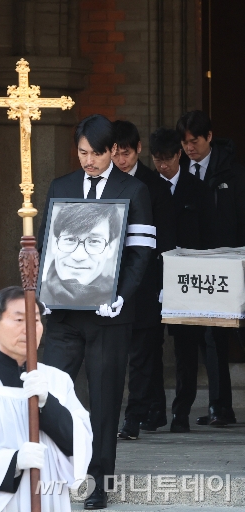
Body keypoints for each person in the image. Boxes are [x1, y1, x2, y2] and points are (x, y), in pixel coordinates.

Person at [38, 114, 154, 509]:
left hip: (109, 316)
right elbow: (47, 245)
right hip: (64, 314)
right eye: (82, 152)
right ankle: (56, 468)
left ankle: (98, 482)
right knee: (49, 393)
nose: (88, 161)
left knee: (104, 401)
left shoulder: (134, 190)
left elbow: (141, 253)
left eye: (96, 153)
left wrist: (121, 296)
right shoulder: (61, 186)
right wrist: (43, 291)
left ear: (113, 151)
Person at [0, 286, 93, 512]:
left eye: (36, 320)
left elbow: (80, 443)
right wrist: (13, 461)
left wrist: (48, 405)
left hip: (47, 499)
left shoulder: (58, 380)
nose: (28, 328)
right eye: (19, 320)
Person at [147, 127, 218, 433]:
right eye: (157, 159)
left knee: (186, 349)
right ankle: (155, 410)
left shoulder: (197, 189)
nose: (163, 165)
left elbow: (209, 236)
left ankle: (181, 413)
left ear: (179, 154)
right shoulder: (146, 188)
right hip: (152, 276)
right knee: (149, 345)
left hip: (188, 278)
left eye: (168, 158)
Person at [177, 110, 245, 427]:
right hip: (198, 266)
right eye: (185, 143)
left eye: (195, 141)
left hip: (233, 262)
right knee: (210, 335)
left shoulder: (233, 173)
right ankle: (220, 407)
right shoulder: (181, 173)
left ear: (209, 137)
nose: (190, 148)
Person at [111, 121, 176, 440]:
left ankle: (134, 417)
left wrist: (164, 284)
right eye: (115, 153)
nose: (121, 160)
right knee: (125, 352)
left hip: (148, 281)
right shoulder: (103, 183)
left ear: (138, 149)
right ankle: (152, 409)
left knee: (143, 351)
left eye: (126, 153)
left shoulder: (154, 186)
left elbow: (165, 239)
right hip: (111, 280)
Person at [39, 202, 121, 307]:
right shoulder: (31, 297)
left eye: (94, 241)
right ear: (55, 243)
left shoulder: (120, 299)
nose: (78, 256)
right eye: (70, 239)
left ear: (111, 248)